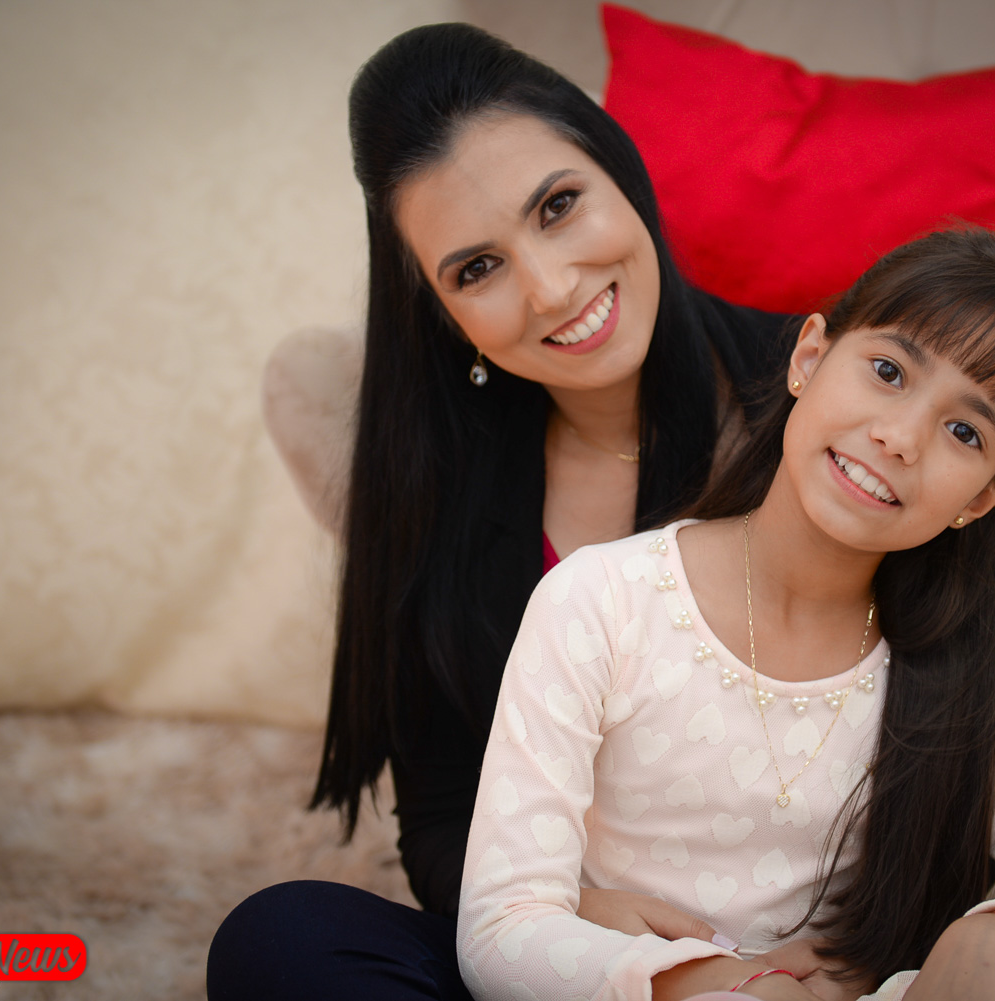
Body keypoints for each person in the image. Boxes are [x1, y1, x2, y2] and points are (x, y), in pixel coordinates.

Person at [456, 230, 995, 1000]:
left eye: (965, 432)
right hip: (661, 992)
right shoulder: (602, 601)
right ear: (809, 357)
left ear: (986, 497)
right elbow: (501, 930)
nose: (900, 437)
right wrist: (726, 982)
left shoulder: (968, 675)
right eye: (888, 371)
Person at [207, 20, 798, 1000]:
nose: (551, 288)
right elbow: (442, 818)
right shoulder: (437, 487)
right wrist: (572, 911)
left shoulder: (830, 405)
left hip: (806, 956)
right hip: (575, 959)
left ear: (620, 170)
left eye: (559, 206)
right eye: (476, 268)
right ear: (441, 312)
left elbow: (957, 737)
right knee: (282, 937)